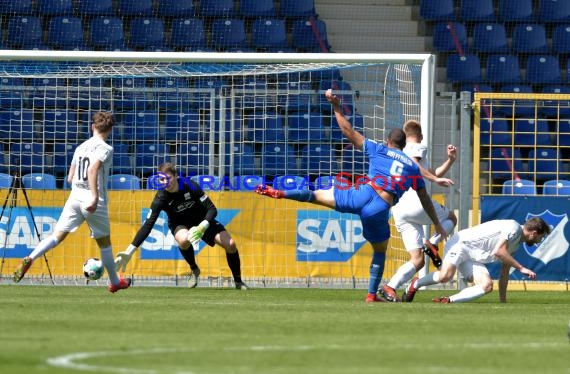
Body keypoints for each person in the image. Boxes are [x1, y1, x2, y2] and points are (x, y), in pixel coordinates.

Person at [255, 89, 447, 303]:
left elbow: (347, 130)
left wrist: (336, 106)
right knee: (380, 250)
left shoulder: (378, 149)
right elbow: (424, 198)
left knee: (315, 195)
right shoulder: (412, 166)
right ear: (403, 146)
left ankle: (281, 192)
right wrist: (437, 223)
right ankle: (371, 295)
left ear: (387, 141)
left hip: (361, 194)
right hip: (380, 207)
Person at [13, 112, 131, 293]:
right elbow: (92, 170)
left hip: (75, 196)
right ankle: (115, 282)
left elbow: (69, 177)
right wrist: (93, 195)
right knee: (105, 245)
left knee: (56, 237)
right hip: (93, 199)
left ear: (93, 127)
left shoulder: (80, 147)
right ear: (111, 129)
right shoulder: (106, 148)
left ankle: (30, 257)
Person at [114, 162, 249, 290]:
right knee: (184, 240)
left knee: (230, 244)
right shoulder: (161, 198)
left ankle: (238, 281)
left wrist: (203, 225)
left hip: (202, 221)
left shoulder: (190, 185)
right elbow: (147, 226)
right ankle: (194, 269)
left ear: (176, 176)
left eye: (168, 178)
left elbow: (212, 209)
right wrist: (129, 251)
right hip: (179, 224)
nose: (165, 182)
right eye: (161, 179)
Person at [382, 120, 457, 302]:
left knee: (418, 260)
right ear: (420, 136)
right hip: (417, 203)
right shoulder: (416, 146)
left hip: (399, 209)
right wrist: (435, 180)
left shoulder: (395, 153)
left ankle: (389, 287)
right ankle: (432, 242)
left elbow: (432, 171)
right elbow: (417, 166)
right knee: (452, 218)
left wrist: (450, 160)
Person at [403, 217, 550, 303]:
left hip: (473, 257)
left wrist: (503, 302)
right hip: (461, 244)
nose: (539, 240)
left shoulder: (516, 243)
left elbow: (504, 273)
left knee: (487, 285)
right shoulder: (514, 228)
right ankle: (416, 283)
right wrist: (521, 268)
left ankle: (448, 301)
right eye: (541, 237)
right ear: (534, 233)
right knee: (445, 276)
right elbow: (499, 251)